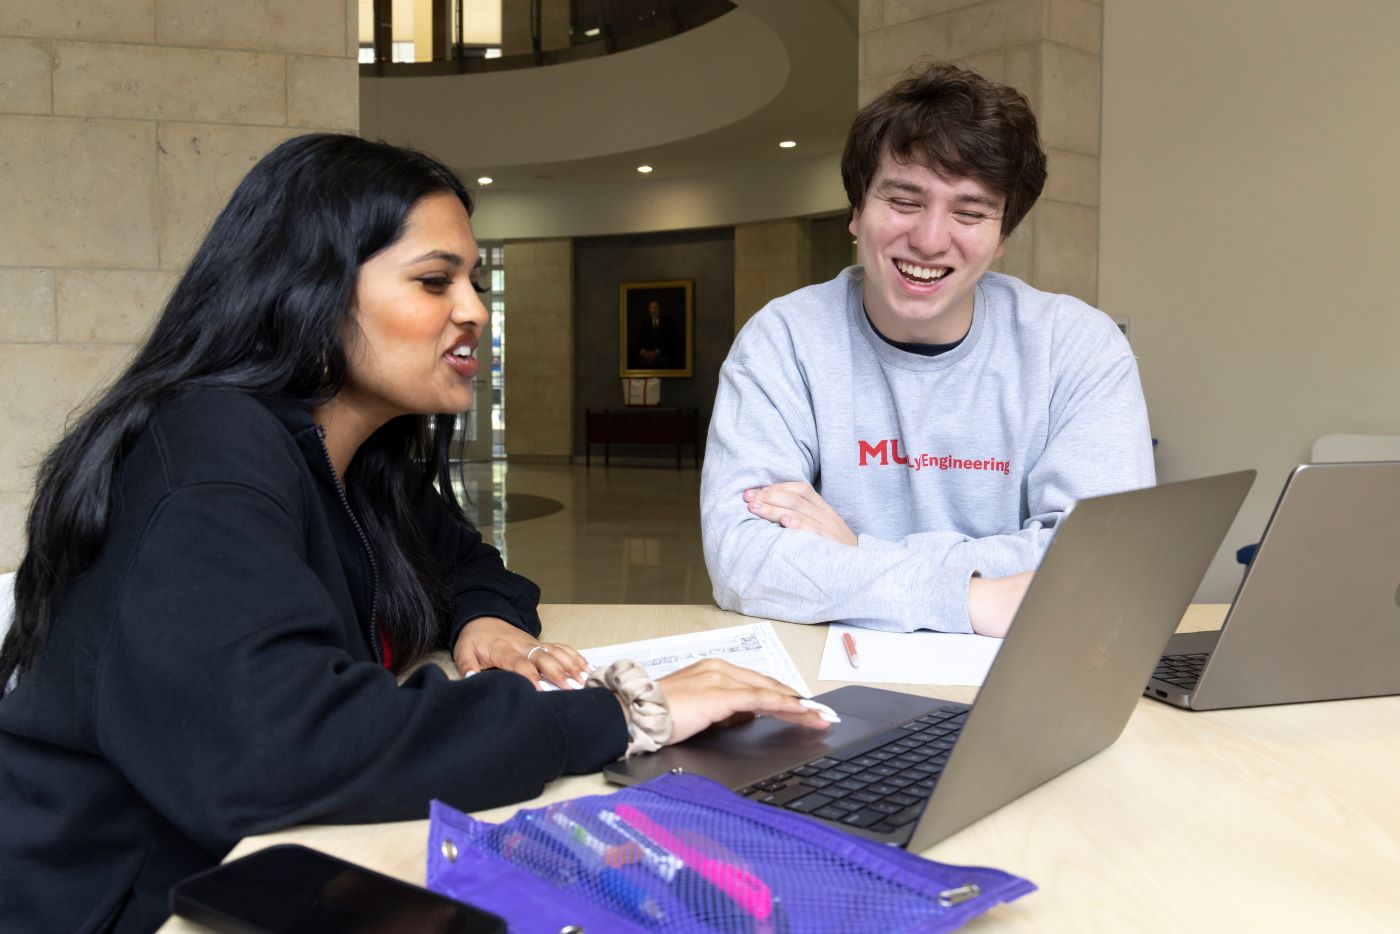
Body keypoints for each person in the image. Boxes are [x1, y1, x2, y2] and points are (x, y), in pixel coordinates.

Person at [0, 134, 829, 933]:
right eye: (436, 281)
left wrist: (483, 619)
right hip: (125, 905)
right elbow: (279, 749)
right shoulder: (209, 448)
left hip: (257, 862)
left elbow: (472, 563)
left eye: (472, 281)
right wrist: (624, 713)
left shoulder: (362, 461)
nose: (474, 311)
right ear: (310, 291)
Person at [701, 63, 1155, 637]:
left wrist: (856, 551)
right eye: (905, 200)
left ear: (1001, 238)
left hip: (1023, 675)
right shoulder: (784, 340)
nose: (931, 239)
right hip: (831, 676)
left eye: (970, 211)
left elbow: (1104, 562)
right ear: (856, 213)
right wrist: (977, 601)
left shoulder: (1078, 348)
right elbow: (741, 558)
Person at [633, 298, 681, 368]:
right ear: (649, 310)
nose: (654, 310)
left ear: (659, 309)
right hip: (646, 356)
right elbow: (639, 341)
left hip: (663, 355)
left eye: (656, 307)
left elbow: (671, 342)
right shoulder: (644, 323)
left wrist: (656, 352)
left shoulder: (668, 323)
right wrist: (644, 352)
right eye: (652, 308)